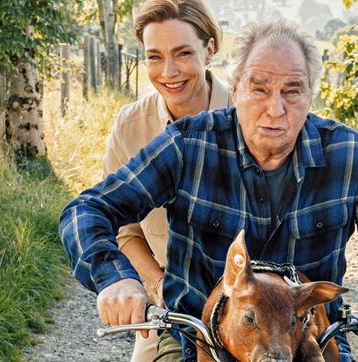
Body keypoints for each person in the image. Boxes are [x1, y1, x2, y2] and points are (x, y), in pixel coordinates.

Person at [60, 20, 358, 362]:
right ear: (238, 88)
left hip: (309, 344)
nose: (275, 109)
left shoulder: (349, 155)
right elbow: (88, 209)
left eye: (292, 91)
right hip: (198, 342)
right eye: (259, 89)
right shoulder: (188, 145)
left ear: (311, 94)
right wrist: (116, 279)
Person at [101, 0, 230, 360]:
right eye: (154, 57)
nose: (168, 71)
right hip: (174, 308)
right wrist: (157, 284)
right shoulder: (131, 127)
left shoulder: (250, 116)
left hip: (252, 300)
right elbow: (123, 227)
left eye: (183, 53)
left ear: (209, 49)